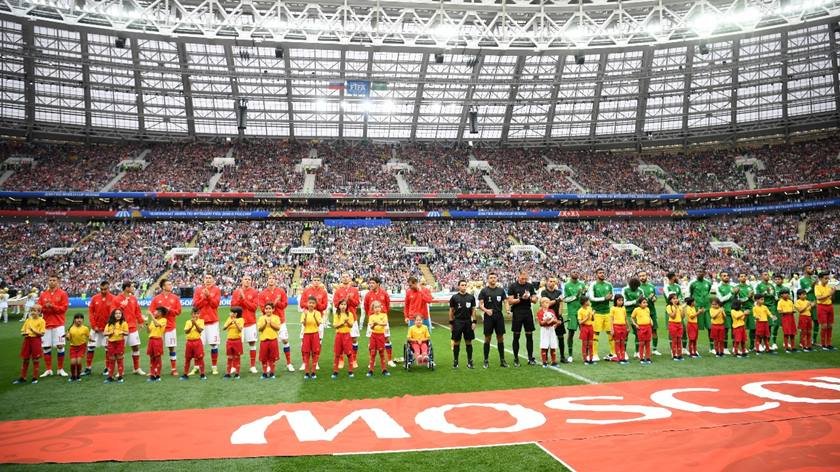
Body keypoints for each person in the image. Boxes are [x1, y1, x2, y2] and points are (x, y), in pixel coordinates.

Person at [258, 274, 293, 372]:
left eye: (273, 278)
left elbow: (285, 305)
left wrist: (278, 303)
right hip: (268, 322)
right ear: (267, 280)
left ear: (276, 280)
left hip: (280, 321)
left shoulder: (281, 291)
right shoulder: (262, 293)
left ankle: (289, 363)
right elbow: (262, 308)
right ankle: (269, 364)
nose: (271, 280)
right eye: (269, 278)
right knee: (269, 342)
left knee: (285, 340)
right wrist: (274, 302)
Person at [149, 279, 182, 376]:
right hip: (158, 328)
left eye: (171, 284)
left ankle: (173, 369)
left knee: (171, 348)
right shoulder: (156, 298)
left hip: (170, 326)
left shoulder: (175, 298)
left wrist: (169, 310)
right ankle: (154, 369)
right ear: (163, 287)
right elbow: (151, 310)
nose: (171, 285)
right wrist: (157, 313)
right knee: (156, 349)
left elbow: (179, 311)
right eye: (169, 284)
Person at [38, 275, 70, 378]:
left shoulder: (63, 294)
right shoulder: (43, 294)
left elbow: (64, 309)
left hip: (58, 324)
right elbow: (39, 308)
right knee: (46, 347)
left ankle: (60, 369)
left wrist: (52, 306)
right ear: (48, 281)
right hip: (46, 324)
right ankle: (48, 369)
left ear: (58, 281)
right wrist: (44, 307)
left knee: (60, 346)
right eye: (50, 280)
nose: (52, 282)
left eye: (54, 280)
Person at [192, 274, 221, 375]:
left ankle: (214, 367)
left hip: (212, 321)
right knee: (198, 345)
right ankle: (196, 367)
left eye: (210, 278)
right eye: (206, 278)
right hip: (200, 321)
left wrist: (208, 296)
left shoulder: (216, 290)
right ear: (203, 280)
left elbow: (215, 304)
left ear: (213, 280)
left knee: (214, 344)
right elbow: (196, 305)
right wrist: (204, 297)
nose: (208, 280)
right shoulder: (198, 290)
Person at [114, 281, 145, 376]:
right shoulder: (117, 299)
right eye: (132, 287)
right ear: (126, 288)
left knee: (135, 347)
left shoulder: (133, 298)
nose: (133, 288)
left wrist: (140, 321)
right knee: (120, 350)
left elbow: (137, 311)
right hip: (121, 328)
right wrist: (122, 306)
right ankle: (120, 370)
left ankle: (136, 368)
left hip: (132, 327)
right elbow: (114, 313)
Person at [508, 270, 538, 366]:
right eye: (522, 278)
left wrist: (529, 298)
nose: (524, 280)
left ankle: (530, 358)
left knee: (529, 335)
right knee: (516, 335)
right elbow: (510, 301)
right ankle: (516, 358)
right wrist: (521, 298)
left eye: (526, 278)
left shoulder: (529, 286)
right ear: (518, 276)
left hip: (527, 312)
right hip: (517, 312)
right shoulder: (513, 286)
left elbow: (535, 300)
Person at [478, 272, 508, 368]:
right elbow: (480, 305)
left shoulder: (501, 290)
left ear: (497, 279)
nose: (493, 279)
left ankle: (502, 360)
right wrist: (486, 311)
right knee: (488, 338)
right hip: (488, 317)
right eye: (491, 278)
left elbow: (505, 301)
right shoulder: (484, 291)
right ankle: (486, 360)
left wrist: (507, 309)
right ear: (488, 279)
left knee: (500, 337)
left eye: (494, 277)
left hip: (499, 316)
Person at [231, 275, 259, 374]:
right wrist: (240, 299)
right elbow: (233, 307)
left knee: (252, 343)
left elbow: (254, 307)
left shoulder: (254, 292)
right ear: (242, 281)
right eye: (245, 279)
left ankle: (252, 366)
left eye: (249, 279)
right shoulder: (236, 292)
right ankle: (234, 366)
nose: (247, 281)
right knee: (237, 344)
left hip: (250, 321)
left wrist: (244, 300)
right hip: (239, 322)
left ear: (251, 281)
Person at [299, 276, 328, 371]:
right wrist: (310, 305)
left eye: (318, 280)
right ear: (312, 281)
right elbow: (302, 304)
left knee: (319, 340)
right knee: (303, 341)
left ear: (320, 282)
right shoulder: (306, 291)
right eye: (315, 280)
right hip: (307, 318)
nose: (316, 282)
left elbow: (324, 306)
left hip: (318, 317)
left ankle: (316, 362)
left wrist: (316, 303)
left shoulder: (323, 292)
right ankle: (304, 362)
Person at [86, 280, 114, 377]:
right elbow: (90, 313)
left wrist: (108, 327)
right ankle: (88, 368)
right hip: (95, 328)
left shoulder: (113, 298)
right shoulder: (94, 298)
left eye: (105, 289)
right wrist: (94, 326)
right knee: (90, 347)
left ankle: (107, 368)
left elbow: (114, 315)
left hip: (107, 329)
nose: (103, 291)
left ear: (108, 288)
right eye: (101, 289)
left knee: (107, 349)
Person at [334, 273, 361, 368]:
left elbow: (357, 303)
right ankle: (341, 360)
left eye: (347, 276)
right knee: (341, 340)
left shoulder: (354, 290)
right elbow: (335, 304)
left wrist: (351, 298)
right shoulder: (338, 291)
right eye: (343, 277)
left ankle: (354, 359)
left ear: (350, 278)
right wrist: (344, 299)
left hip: (352, 317)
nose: (345, 278)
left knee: (354, 338)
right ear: (341, 279)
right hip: (340, 317)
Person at [587, 268, 614, 362]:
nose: (602, 274)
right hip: (596, 312)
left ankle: (613, 353)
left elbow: (612, 296)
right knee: (596, 333)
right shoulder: (593, 285)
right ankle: (594, 354)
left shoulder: (609, 284)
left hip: (607, 311)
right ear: (596, 275)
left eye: (603, 272)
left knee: (610, 333)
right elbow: (591, 298)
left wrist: (610, 298)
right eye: (600, 273)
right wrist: (604, 298)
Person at [363, 276, 391, 369]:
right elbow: (366, 307)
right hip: (372, 320)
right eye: (370, 283)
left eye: (373, 283)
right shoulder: (368, 295)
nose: (371, 285)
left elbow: (388, 305)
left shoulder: (384, 293)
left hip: (383, 319)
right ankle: (372, 360)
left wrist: (383, 316)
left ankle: (390, 360)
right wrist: (371, 317)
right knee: (371, 341)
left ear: (378, 284)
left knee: (387, 339)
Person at [449, 279, 477, 369]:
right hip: (457, 321)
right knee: (456, 342)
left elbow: (473, 310)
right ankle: (456, 362)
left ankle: (470, 361)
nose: (464, 286)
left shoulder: (471, 297)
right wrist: (451, 323)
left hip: (468, 321)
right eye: (462, 285)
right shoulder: (454, 297)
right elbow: (451, 311)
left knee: (468, 341)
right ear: (458, 286)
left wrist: (474, 322)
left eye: (465, 285)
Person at [15, 304, 45, 384]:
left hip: (36, 340)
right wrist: (24, 333)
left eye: (35, 311)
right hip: (27, 340)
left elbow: (42, 334)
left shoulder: (42, 321)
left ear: (39, 312)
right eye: (32, 310)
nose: (33, 312)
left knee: (35, 359)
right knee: (25, 359)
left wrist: (33, 330)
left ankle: (35, 377)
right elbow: (23, 330)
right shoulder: (28, 320)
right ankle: (23, 377)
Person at [541, 276, 566, 363]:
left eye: (553, 281)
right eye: (550, 281)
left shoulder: (559, 292)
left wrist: (559, 317)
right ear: (547, 282)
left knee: (561, 337)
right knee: (547, 338)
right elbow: (546, 304)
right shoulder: (544, 292)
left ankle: (562, 357)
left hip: (557, 317)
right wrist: (556, 300)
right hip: (548, 318)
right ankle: (546, 358)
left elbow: (561, 304)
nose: (552, 283)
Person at [563, 271, 586, 363]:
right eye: (573, 272)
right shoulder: (567, 285)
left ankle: (586, 354)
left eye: (577, 272)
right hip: (572, 312)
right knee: (571, 333)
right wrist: (576, 296)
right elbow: (565, 299)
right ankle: (570, 354)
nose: (576, 273)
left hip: (582, 312)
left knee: (584, 333)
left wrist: (584, 294)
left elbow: (585, 298)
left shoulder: (582, 284)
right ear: (570, 274)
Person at [688, 269, 713, 352]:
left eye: (701, 272)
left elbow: (708, 292)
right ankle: (694, 348)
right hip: (697, 308)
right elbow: (690, 294)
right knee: (695, 328)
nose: (699, 273)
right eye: (697, 272)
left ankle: (712, 347)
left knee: (710, 327)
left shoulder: (708, 283)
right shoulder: (692, 283)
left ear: (704, 273)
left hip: (707, 308)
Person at [712, 271, 736, 354]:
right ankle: (725, 348)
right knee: (725, 330)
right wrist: (731, 293)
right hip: (724, 311)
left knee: (735, 329)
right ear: (720, 277)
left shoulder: (733, 286)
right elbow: (721, 299)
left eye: (727, 275)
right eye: (724, 275)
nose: (726, 277)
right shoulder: (718, 287)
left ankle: (734, 347)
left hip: (734, 311)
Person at [103, 308, 129, 383]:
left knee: (119, 359)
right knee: (111, 360)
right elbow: (104, 333)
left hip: (119, 342)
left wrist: (121, 332)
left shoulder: (124, 323)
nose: (118, 315)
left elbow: (127, 333)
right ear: (113, 315)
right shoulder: (109, 324)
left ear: (122, 315)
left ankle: (120, 376)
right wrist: (109, 333)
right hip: (111, 343)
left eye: (119, 313)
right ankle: (110, 377)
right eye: (116, 313)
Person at [331, 299, 355, 378]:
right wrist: (342, 323)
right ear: (339, 306)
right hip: (339, 335)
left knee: (349, 353)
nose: (343, 306)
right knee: (337, 354)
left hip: (347, 336)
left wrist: (347, 322)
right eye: (341, 304)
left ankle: (350, 371)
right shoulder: (336, 314)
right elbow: (335, 326)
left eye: (345, 304)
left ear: (347, 306)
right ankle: (335, 371)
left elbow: (351, 325)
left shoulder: (350, 314)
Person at [299, 297, 322, 380]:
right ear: (307, 304)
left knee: (315, 353)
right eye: (310, 303)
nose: (311, 304)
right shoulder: (304, 313)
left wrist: (314, 316)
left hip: (315, 334)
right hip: (307, 334)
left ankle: (313, 372)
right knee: (306, 353)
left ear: (315, 305)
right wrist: (305, 316)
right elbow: (304, 324)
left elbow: (318, 324)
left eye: (313, 303)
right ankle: (306, 372)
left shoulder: (317, 313)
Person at [638, 272, 660, 356]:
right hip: (642, 313)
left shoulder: (652, 287)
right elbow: (638, 301)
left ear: (647, 276)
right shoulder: (638, 288)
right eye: (640, 276)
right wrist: (648, 298)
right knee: (641, 332)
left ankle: (654, 349)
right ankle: (641, 350)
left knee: (654, 330)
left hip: (652, 312)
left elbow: (654, 298)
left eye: (643, 275)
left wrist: (654, 299)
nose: (642, 277)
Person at [258, 303, 283, 379]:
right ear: (264, 310)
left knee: (272, 358)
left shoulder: (276, 317)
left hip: (273, 340)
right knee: (264, 358)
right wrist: (265, 323)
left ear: (273, 309)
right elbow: (260, 329)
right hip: (264, 340)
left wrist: (270, 323)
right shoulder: (261, 318)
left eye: (269, 308)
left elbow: (278, 328)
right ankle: (264, 373)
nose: (268, 310)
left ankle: (272, 373)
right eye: (266, 308)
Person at [622, 277, 644, 359]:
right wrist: (635, 301)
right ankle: (623, 351)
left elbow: (642, 302)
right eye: (634, 287)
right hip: (627, 314)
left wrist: (641, 303)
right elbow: (623, 303)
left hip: (637, 314)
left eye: (636, 287)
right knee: (626, 332)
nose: (635, 288)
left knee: (638, 332)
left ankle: (637, 352)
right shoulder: (625, 290)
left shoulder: (640, 290)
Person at [181, 310, 206, 381]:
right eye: (194, 313)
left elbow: (200, 330)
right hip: (189, 342)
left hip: (197, 342)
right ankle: (185, 374)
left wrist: (195, 323)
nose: (196, 315)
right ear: (191, 314)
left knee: (200, 358)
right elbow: (186, 332)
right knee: (187, 358)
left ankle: (202, 374)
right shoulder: (188, 322)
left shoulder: (201, 321)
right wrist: (192, 324)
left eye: (198, 313)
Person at [755, 273, 777, 352]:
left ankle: (767, 344)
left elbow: (774, 296)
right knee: (761, 328)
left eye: (767, 275)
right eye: (764, 275)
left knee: (770, 326)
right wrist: (765, 293)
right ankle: (759, 344)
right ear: (761, 276)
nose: (766, 276)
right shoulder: (759, 286)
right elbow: (757, 296)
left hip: (771, 308)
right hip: (762, 308)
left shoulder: (771, 286)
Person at [145, 306, 168, 382]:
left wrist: (151, 315)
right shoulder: (153, 321)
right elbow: (148, 331)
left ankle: (157, 375)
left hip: (158, 340)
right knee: (151, 358)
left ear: (160, 313)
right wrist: (146, 324)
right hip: (151, 340)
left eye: (156, 311)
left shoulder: (163, 320)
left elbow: (157, 324)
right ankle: (152, 374)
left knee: (157, 358)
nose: (154, 312)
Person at [367, 300, 390, 377]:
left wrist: (377, 323)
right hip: (373, 335)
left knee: (381, 353)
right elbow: (371, 326)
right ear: (372, 309)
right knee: (373, 353)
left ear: (381, 308)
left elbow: (385, 323)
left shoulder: (384, 315)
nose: (377, 309)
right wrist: (374, 325)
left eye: (378, 307)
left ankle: (384, 369)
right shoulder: (371, 316)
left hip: (381, 336)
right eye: (375, 307)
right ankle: (371, 370)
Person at [536, 297, 559, 367]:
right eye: (546, 302)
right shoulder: (540, 312)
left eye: (548, 302)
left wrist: (552, 321)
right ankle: (544, 361)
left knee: (553, 345)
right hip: (544, 330)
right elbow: (541, 323)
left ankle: (554, 361)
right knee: (544, 345)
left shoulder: (551, 311)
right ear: (542, 304)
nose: (548, 304)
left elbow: (556, 320)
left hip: (551, 329)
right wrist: (547, 321)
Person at [815, 272, 836, 350]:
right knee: (824, 326)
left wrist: (833, 293)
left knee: (830, 326)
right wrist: (829, 294)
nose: (827, 280)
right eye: (825, 278)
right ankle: (823, 344)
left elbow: (831, 299)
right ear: (820, 279)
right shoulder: (817, 287)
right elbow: (819, 298)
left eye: (828, 278)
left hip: (830, 306)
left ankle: (829, 343)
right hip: (821, 307)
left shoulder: (828, 287)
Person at [66, 314, 90, 382]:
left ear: (83, 320)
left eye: (81, 318)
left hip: (81, 346)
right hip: (73, 347)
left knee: (78, 361)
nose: (79, 320)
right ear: (74, 320)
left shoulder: (85, 328)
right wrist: (67, 337)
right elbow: (68, 338)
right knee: (73, 362)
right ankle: (73, 376)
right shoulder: (71, 328)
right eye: (77, 318)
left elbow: (88, 336)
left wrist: (91, 340)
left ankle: (78, 375)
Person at [798, 266, 818, 345]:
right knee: (805, 323)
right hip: (806, 302)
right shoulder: (801, 280)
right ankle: (802, 341)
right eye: (809, 268)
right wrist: (812, 285)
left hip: (815, 301)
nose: (811, 269)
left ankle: (814, 340)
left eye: (811, 268)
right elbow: (803, 292)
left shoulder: (814, 279)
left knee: (816, 321)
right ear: (805, 270)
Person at [736, 273, 756, 351]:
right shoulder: (736, 288)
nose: (743, 277)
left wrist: (753, 298)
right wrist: (748, 297)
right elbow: (738, 300)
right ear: (738, 278)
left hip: (751, 309)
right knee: (741, 328)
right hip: (742, 310)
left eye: (744, 276)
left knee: (753, 328)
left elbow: (753, 299)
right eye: (741, 276)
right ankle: (741, 346)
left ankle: (752, 345)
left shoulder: (749, 287)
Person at [223, 307, 244, 379]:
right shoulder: (229, 319)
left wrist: (235, 322)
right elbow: (224, 328)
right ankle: (228, 373)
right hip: (229, 341)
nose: (230, 313)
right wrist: (230, 323)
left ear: (236, 314)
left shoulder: (241, 320)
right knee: (229, 357)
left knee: (237, 357)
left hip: (237, 340)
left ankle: (237, 373)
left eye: (231, 312)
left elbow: (240, 330)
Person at [631, 298, 653, 365]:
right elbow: (632, 318)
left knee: (648, 343)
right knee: (642, 343)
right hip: (641, 328)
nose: (646, 304)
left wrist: (651, 321)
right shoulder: (636, 310)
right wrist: (635, 324)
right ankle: (641, 358)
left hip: (648, 327)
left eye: (646, 302)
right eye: (644, 302)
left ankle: (648, 358)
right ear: (639, 304)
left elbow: (648, 316)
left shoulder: (647, 309)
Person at [777, 289, 797, 353]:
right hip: (785, 318)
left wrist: (793, 311)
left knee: (792, 333)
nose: (786, 295)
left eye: (787, 293)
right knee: (786, 333)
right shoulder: (780, 302)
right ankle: (786, 347)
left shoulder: (790, 301)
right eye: (785, 293)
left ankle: (793, 347)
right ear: (781, 295)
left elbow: (793, 309)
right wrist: (788, 311)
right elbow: (780, 311)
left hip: (791, 318)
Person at [665, 293, 684, 361]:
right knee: (674, 340)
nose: (675, 300)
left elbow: (682, 316)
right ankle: (674, 355)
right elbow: (672, 316)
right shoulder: (669, 307)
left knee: (679, 340)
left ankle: (680, 354)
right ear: (670, 300)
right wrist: (675, 309)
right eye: (673, 299)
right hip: (673, 324)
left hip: (679, 324)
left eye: (676, 298)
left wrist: (682, 309)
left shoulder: (679, 306)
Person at [577, 297, 595, 365]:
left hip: (590, 327)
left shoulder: (590, 308)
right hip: (584, 328)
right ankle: (585, 359)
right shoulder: (580, 311)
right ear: (584, 302)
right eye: (588, 301)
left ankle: (591, 359)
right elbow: (580, 322)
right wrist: (586, 318)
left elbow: (592, 319)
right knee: (585, 344)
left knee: (590, 344)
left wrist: (593, 315)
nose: (589, 302)